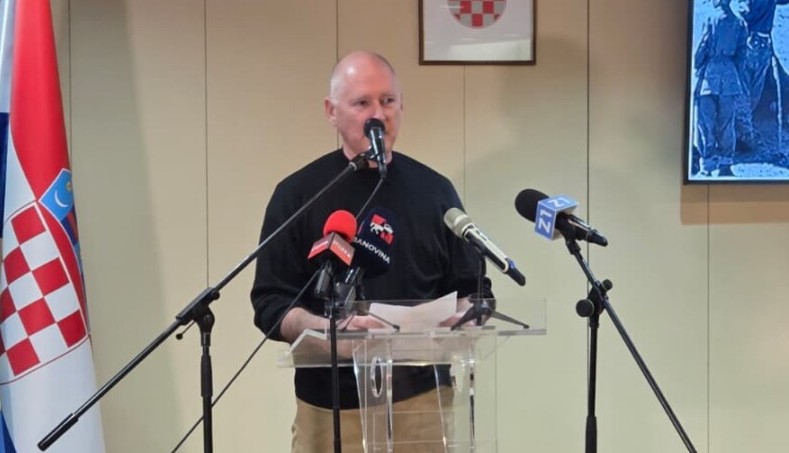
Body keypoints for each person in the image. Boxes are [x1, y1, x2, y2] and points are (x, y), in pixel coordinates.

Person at [250, 50, 492, 452]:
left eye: (388, 100)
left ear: (402, 106)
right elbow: (271, 303)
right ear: (331, 111)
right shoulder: (299, 195)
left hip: (421, 402)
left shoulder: (435, 191)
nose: (378, 114)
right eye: (362, 102)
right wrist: (328, 333)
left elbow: (474, 289)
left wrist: (466, 318)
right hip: (329, 407)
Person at [694, 0, 749, 176]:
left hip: (710, 76)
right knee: (726, 123)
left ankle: (707, 165)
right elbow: (742, 54)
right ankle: (725, 165)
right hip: (730, 76)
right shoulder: (740, 22)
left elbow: (703, 46)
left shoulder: (710, 19)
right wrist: (734, 73)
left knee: (706, 122)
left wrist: (697, 63)